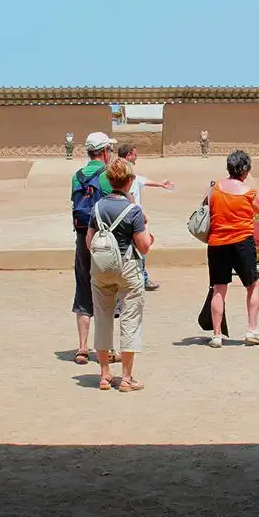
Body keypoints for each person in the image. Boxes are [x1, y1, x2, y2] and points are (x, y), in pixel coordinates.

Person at [87, 158, 155, 392]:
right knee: (130, 320)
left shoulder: (96, 208)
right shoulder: (133, 210)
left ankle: (105, 374)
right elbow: (144, 246)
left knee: (103, 318)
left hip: (101, 269)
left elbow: (89, 242)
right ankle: (126, 377)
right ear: (128, 182)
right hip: (128, 267)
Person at [206, 150, 259, 348]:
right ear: (246, 169)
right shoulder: (249, 193)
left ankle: (216, 335)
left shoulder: (214, 188)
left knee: (219, 288)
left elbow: (208, 208)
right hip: (242, 241)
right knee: (252, 286)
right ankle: (252, 329)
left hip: (217, 242)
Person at [70, 132, 115, 365]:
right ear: (105, 151)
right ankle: (106, 348)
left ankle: (82, 347)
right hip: (104, 240)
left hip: (81, 238)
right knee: (107, 291)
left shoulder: (76, 176)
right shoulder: (108, 175)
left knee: (83, 290)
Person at [119, 143, 174, 291]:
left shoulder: (123, 171)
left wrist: (161, 185)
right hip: (132, 216)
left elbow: (142, 181)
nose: (136, 158)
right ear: (128, 155)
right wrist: (138, 212)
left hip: (128, 215)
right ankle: (141, 279)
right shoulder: (125, 172)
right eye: (135, 155)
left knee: (134, 248)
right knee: (140, 246)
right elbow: (129, 194)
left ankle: (139, 277)